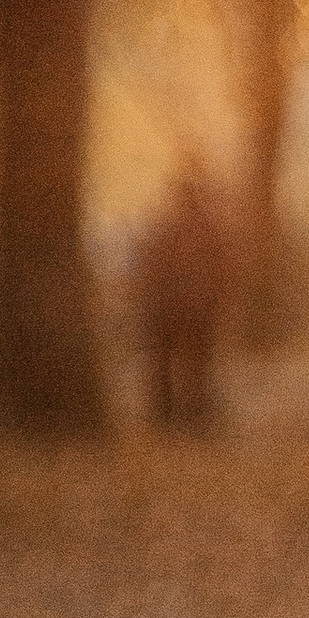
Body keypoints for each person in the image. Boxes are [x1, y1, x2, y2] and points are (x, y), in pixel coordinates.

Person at [132, 156, 232, 430]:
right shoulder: (206, 230)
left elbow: (150, 267)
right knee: (190, 364)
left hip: (178, 307)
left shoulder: (170, 228)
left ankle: (175, 415)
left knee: (177, 363)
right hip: (188, 308)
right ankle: (187, 415)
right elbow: (223, 270)